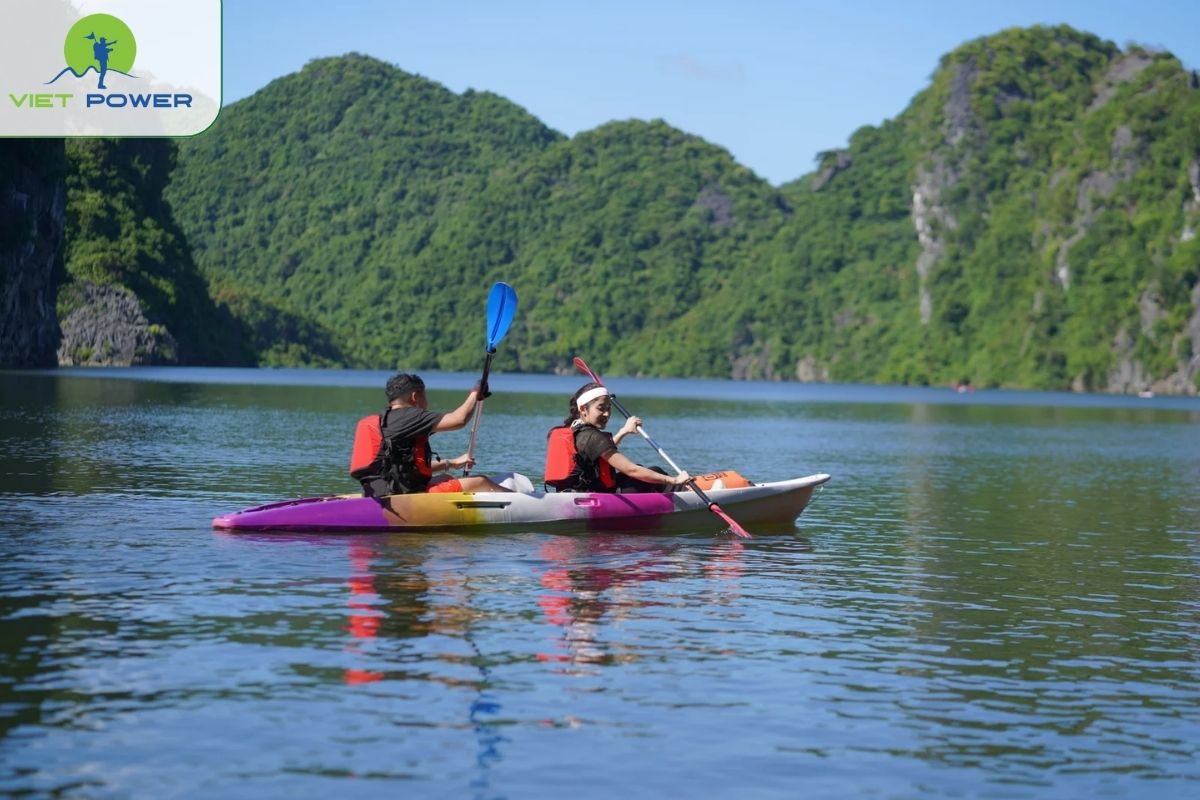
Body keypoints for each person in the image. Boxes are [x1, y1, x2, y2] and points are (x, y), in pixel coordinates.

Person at [350, 373, 510, 497]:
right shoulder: (410, 416)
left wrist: (452, 463)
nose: (426, 402)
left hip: (383, 492)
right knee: (481, 482)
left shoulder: (387, 420)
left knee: (446, 477)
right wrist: (475, 394)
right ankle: (529, 504)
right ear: (415, 397)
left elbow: (405, 467)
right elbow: (458, 420)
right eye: (425, 396)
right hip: (404, 497)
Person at [543, 382, 690, 493]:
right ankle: (685, 490)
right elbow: (631, 470)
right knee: (649, 472)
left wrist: (624, 431)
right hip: (596, 496)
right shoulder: (592, 436)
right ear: (583, 409)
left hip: (574, 493)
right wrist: (673, 479)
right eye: (601, 408)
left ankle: (681, 486)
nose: (607, 414)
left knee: (648, 471)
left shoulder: (573, 430)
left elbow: (599, 451)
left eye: (608, 408)